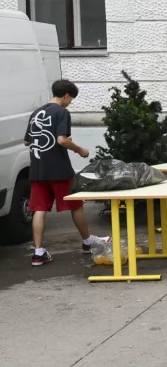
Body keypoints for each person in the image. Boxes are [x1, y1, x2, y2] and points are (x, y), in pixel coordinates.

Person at [23, 79, 107, 266]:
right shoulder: (61, 112)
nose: (70, 103)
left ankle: (38, 253)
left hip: (37, 168)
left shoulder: (37, 113)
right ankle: (87, 242)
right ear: (66, 95)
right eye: (71, 99)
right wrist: (80, 150)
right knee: (76, 204)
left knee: (39, 209)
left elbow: (27, 142)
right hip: (59, 169)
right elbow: (62, 140)